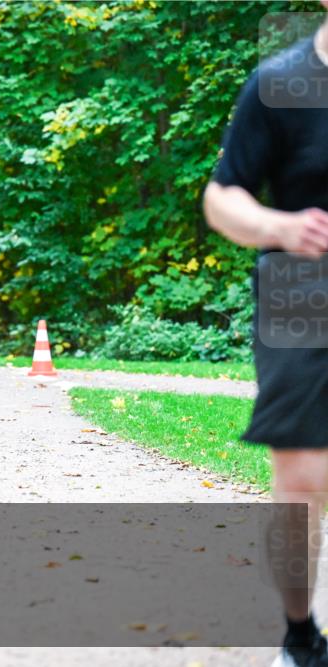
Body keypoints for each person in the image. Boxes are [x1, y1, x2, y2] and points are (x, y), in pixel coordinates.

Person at [203, 11, 328, 667]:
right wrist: (279, 228)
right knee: (304, 473)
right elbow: (223, 198)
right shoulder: (280, 83)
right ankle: (300, 635)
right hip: (303, 292)